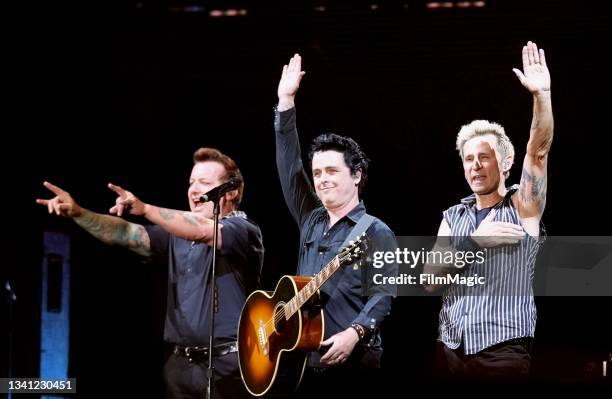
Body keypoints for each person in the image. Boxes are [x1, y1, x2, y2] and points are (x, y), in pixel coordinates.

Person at [36, 147, 264, 399]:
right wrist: (79, 213)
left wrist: (145, 209)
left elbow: (203, 230)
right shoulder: (176, 235)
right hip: (179, 367)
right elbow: (126, 234)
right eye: (191, 182)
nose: (194, 189)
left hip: (229, 367)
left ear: (230, 192)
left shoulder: (243, 230)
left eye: (205, 182)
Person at [423, 41, 553, 382]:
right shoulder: (454, 216)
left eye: (485, 157)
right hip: (449, 349)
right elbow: (429, 280)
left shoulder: (522, 206)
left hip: (502, 351)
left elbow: (538, 152)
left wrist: (541, 96)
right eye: (468, 159)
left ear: (507, 162)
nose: (476, 166)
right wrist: (475, 243)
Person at [274, 54, 397, 396]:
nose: (322, 180)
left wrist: (355, 332)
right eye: (317, 173)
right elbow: (289, 168)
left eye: (331, 171)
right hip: (303, 362)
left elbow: (385, 294)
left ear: (356, 176)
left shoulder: (375, 231)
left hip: (353, 361)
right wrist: (286, 104)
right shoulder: (311, 220)